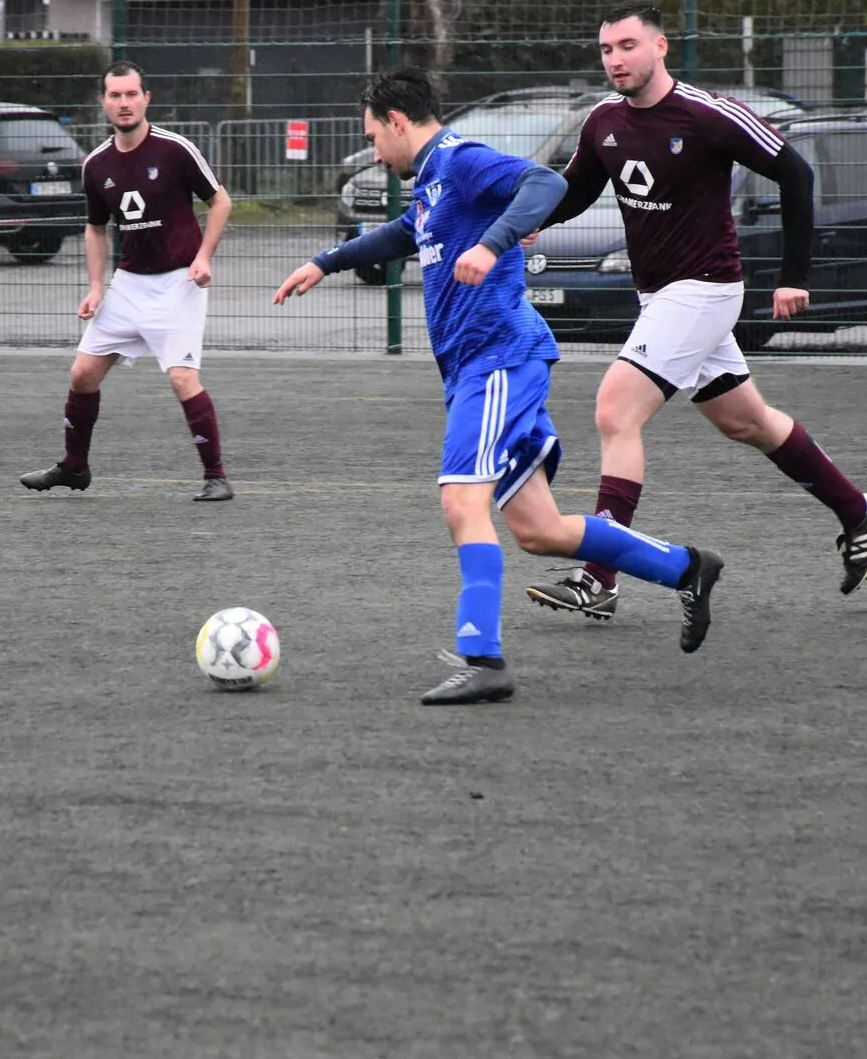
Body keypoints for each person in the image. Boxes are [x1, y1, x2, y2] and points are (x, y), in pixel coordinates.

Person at [272, 67, 725, 705]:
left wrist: (492, 244)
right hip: (480, 369)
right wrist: (326, 261)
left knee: (462, 503)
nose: (373, 152)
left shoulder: (460, 159)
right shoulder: (432, 180)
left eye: (373, 137)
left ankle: (482, 658)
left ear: (397, 122)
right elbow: (406, 232)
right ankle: (687, 567)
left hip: (498, 362)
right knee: (540, 529)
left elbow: (544, 183)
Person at [518, 3, 867, 624]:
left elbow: (795, 173)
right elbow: (579, 188)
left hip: (705, 291)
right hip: (660, 297)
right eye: (607, 49)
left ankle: (598, 576)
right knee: (747, 423)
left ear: (660, 46)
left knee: (615, 411)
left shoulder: (707, 113)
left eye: (628, 46)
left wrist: (795, 277)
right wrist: (531, 221)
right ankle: (858, 510)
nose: (616, 60)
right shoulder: (603, 121)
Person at [19, 61, 236, 501]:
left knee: (182, 378)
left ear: (146, 98)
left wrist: (203, 258)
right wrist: (96, 287)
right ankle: (74, 467)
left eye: (132, 94)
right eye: (115, 95)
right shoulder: (96, 165)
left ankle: (216, 477)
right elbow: (95, 228)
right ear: (103, 102)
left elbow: (220, 201)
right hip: (129, 285)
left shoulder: (175, 149)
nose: (124, 103)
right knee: (82, 373)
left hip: (178, 284)